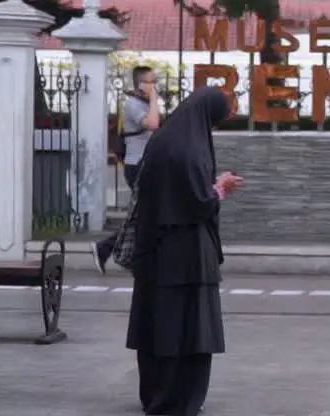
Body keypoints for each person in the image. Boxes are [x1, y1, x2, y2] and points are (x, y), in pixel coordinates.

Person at [126, 87, 244, 416]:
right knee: (189, 328)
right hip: (188, 254)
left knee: (159, 326)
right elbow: (198, 203)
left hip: (157, 252)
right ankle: (179, 398)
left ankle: (157, 394)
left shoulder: (164, 141)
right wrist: (220, 188)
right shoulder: (191, 149)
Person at [94, 65, 162, 274]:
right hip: (137, 165)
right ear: (141, 84)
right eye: (151, 81)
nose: (155, 85)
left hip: (146, 164)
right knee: (145, 215)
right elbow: (152, 124)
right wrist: (153, 99)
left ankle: (118, 251)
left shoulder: (141, 103)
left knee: (145, 214)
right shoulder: (133, 105)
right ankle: (108, 248)